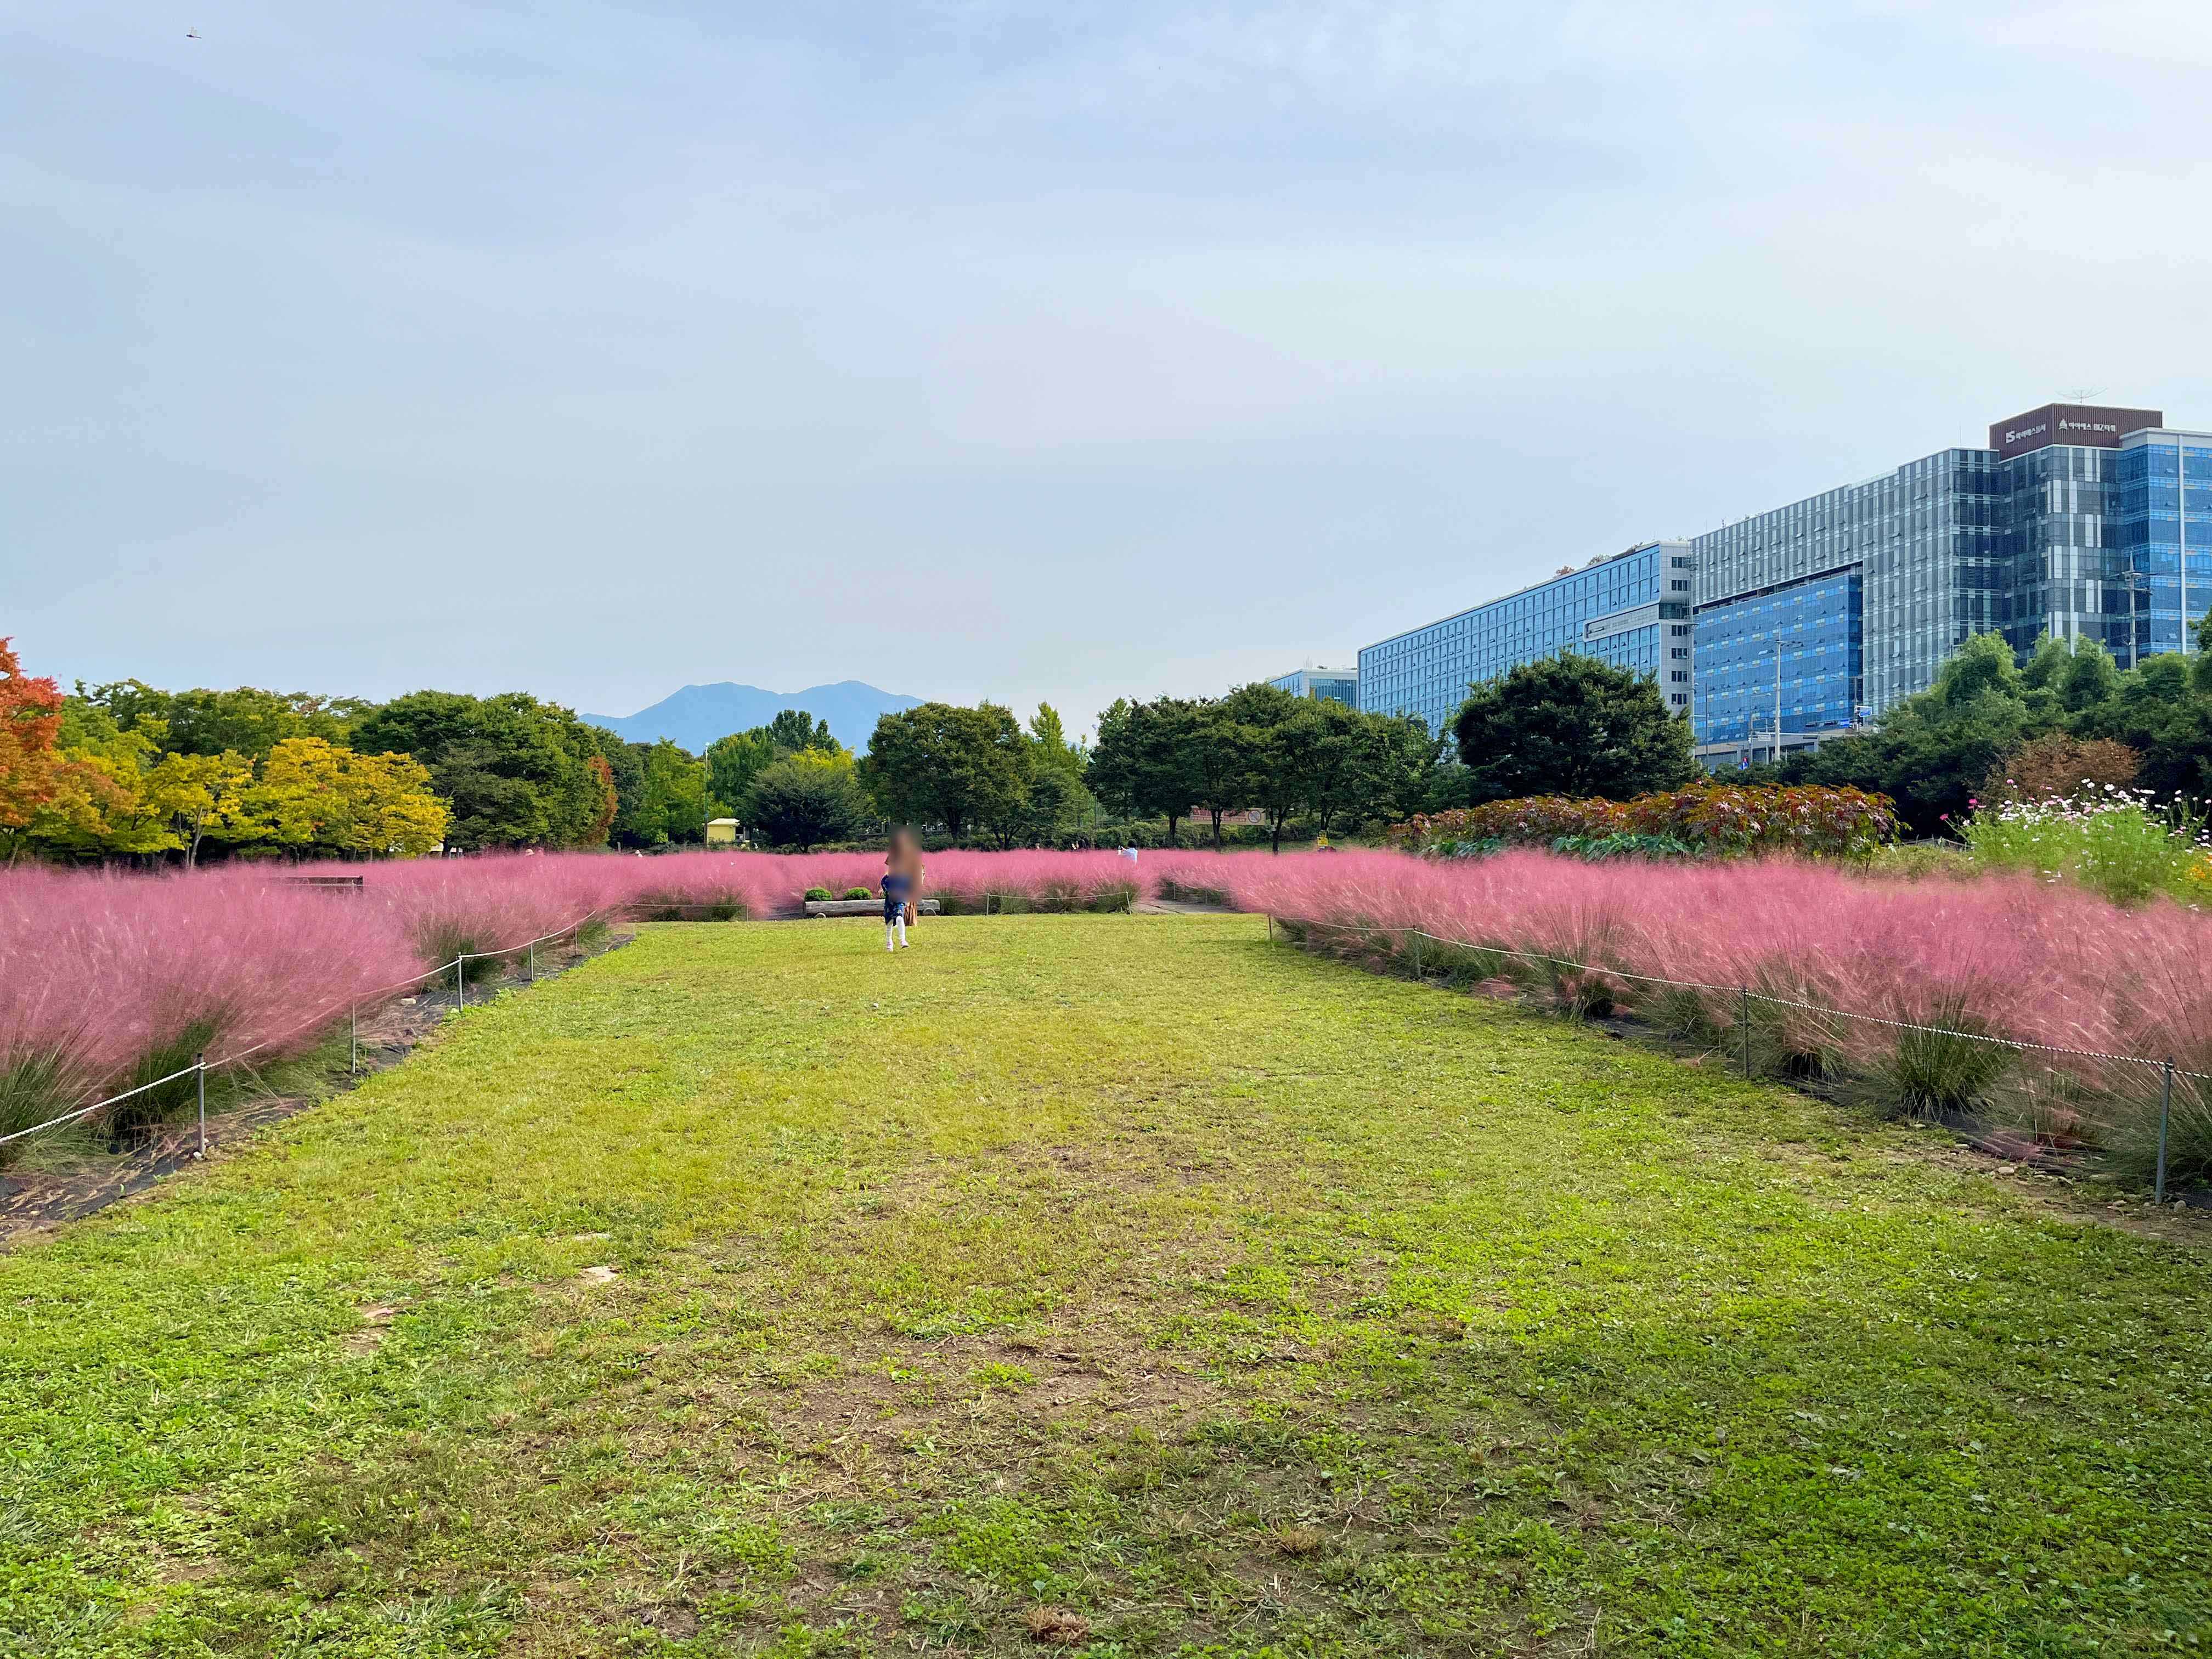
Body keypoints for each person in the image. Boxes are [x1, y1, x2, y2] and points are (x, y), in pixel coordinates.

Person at [882, 827, 923, 950]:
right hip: (893, 890)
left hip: (904, 886)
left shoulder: (913, 853)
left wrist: (917, 883)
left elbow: (919, 868)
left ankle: (903, 938)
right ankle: (889, 942)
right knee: (889, 921)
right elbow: (888, 871)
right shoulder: (893, 854)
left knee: (902, 912)